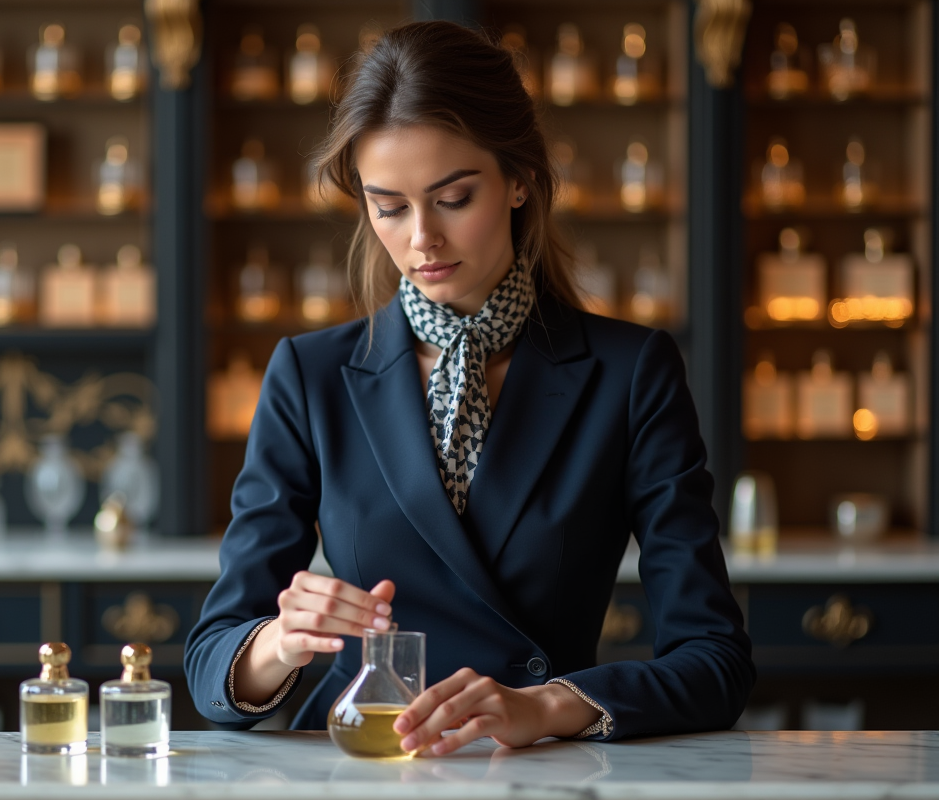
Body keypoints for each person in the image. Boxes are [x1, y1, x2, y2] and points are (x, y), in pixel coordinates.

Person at [185, 20, 754, 754]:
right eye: (388, 207)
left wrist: (549, 705)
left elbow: (716, 662)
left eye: (453, 198)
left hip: (539, 769)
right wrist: (279, 643)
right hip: (357, 764)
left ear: (520, 180)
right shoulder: (310, 374)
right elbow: (209, 669)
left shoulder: (631, 371)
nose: (421, 238)